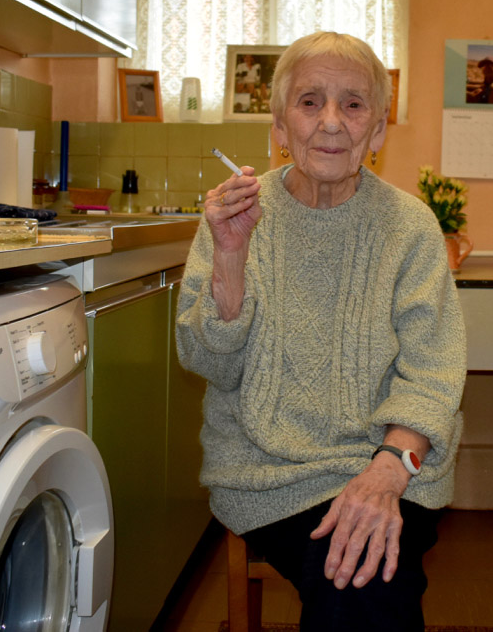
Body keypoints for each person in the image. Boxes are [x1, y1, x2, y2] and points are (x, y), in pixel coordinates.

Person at [176, 31, 467, 631]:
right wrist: (231, 257)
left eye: (353, 104)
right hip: (270, 471)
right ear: (280, 126)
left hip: (392, 466)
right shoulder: (235, 217)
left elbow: (433, 373)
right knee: (355, 576)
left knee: (365, 577)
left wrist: (387, 472)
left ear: (379, 130)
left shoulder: (410, 227)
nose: (331, 121)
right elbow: (210, 363)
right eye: (309, 102)